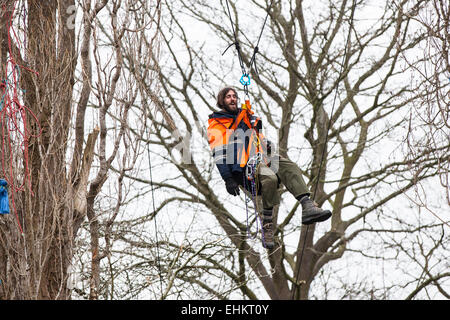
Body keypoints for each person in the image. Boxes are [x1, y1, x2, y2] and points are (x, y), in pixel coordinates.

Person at [207, 87, 331, 249]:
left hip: (261, 156)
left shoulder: (246, 117)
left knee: (290, 167)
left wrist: (266, 144)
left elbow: (256, 137)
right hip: (243, 165)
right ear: (222, 101)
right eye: (228, 97)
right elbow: (219, 152)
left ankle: (307, 205)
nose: (233, 99)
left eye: (234, 96)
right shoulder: (216, 124)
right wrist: (228, 178)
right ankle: (267, 224)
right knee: (269, 178)